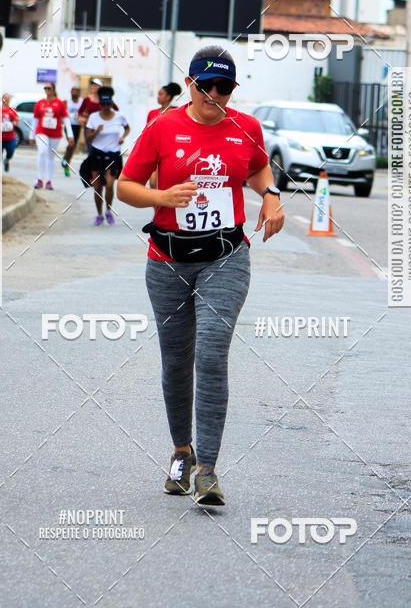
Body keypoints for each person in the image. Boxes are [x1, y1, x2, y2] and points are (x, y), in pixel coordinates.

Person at [117, 46, 284, 505]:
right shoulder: (162, 127)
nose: (214, 95)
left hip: (225, 257)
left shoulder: (245, 128)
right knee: (176, 361)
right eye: (205, 85)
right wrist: (162, 197)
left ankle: (208, 468)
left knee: (211, 355)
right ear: (189, 84)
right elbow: (125, 187)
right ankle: (181, 452)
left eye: (224, 87)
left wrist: (270, 196)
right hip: (167, 259)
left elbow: (258, 168)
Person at [85, 86, 130, 225]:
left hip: (112, 155)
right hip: (97, 154)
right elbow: (88, 137)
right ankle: (99, 214)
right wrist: (96, 132)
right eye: (103, 104)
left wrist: (122, 137)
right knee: (98, 187)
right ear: (100, 104)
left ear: (112, 103)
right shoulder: (93, 117)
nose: (105, 107)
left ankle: (108, 211)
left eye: (108, 104)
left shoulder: (119, 116)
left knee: (109, 185)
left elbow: (127, 127)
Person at [30, 83, 74, 189]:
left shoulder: (60, 103)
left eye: (49, 88)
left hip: (55, 134)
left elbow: (66, 119)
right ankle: (39, 179)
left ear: (53, 90)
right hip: (41, 131)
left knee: (51, 156)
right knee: (42, 151)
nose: (47, 90)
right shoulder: (40, 103)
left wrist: (70, 134)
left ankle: (48, 181)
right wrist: (31, 136)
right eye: (45, 88)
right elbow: (35, 120)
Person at [61, 86, 82, 176]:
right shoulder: (67, 101)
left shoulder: (82, 101)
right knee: (71, 144)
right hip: (69, 126)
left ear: (79, 93)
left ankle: (66, 163)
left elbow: (85, 111)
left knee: (72, 147)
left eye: (76, 91)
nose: (74, 93)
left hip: (77, 126)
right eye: (73, 91)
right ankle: (65, 160)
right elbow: (62, 112)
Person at [0, 93, 19, 173]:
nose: (6, 99)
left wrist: (17, 120)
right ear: (2, 99)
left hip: (10, 137)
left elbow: (17, 120)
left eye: (8, 98)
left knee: (11, 151)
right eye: (5, 98)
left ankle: (7, 161)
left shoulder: (13, 110)